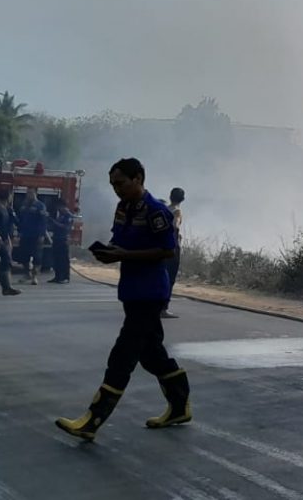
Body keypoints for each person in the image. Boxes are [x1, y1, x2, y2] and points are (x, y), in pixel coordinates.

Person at [56, 158, 190, 441]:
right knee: (152, 355)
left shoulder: (157, 212)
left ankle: (93, 419)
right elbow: (122, 242)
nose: (116, 189)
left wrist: (123, 256)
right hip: (131, 290)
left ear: (138, 178)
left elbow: (166, 251)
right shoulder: (123, 208)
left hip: (151, 293)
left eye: (121, 183)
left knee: (123, 355)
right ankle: (180, 406)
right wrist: (110, 252)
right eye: (113, 185)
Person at [161, 187, 185, 319]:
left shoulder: (165, 209)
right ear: (183, 199)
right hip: (172, 248)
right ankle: (163, 309)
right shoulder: (177, 211)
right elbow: (175, 226)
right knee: (170, 278)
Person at [16, 193, 48, 284]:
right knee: (23, 256)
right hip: (25, 235)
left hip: (36, 235)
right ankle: (27, 274)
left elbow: (43, 221)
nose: (29, 195)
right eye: (27, 193)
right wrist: (19, 232)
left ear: (35, 194)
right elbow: (20, 219)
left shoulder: (40, 206)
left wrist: (42, 235)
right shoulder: (24, 206)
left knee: (37, 257)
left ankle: (34, 277)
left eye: (31, 193)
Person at [47, 198, 74, 284]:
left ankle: (65, 277)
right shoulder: (61, 215)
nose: (57, 208)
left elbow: (66, 227)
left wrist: (54, 222)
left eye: (58, 206)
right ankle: (57, 276)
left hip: (63, 239)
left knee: (63, 259)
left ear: (62, 206)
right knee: (56, 258)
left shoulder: (68, 215)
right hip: (57, 239)